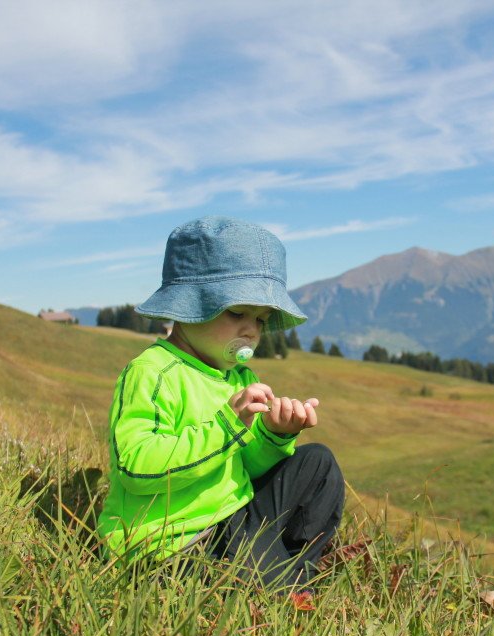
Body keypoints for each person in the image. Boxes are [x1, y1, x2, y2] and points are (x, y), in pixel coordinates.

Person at [97, 216, 345, 593]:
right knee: (250, 553)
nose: (251, 330)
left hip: (233, 517)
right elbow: (137, 467)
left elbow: (247, 465)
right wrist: (226, 427)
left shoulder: (242, 377)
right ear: (189, 307)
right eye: (237, 313)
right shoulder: (153, 372)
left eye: (261, 320)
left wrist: (275, 435)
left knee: (319, 463)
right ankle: (282, 587)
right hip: (172, 544)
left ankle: (292, 575)